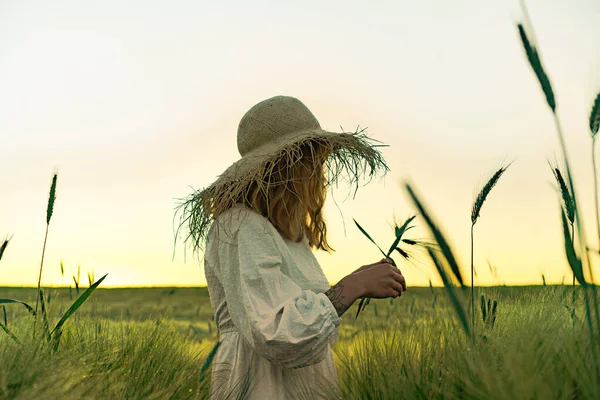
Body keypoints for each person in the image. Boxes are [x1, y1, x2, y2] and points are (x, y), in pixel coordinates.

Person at [175, 96, 407, 399]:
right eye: (313, 160)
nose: (320, 173)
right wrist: (352, 286)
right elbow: (275, 333)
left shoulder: (283, 233)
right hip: (261, 385)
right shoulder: (239, 227)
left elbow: (308, 330)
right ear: (287, 166)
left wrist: (356, 281)